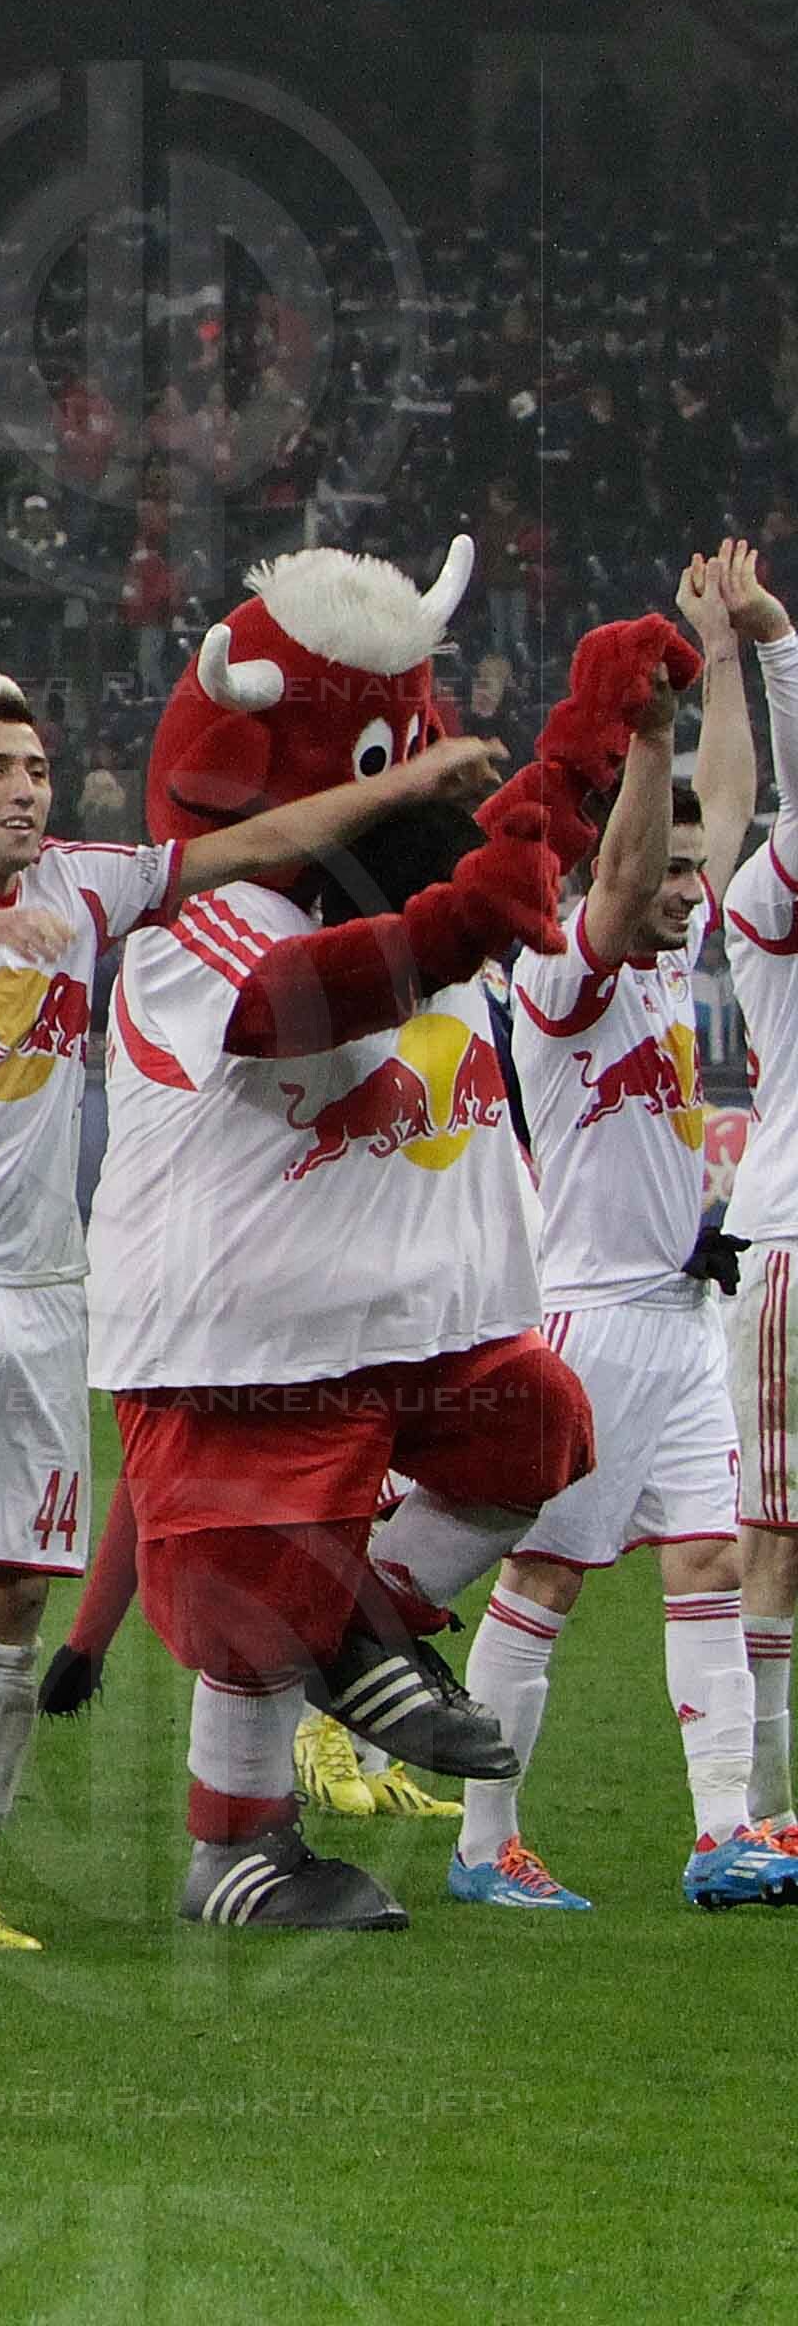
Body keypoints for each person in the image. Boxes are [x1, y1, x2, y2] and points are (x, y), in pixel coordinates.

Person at [0, 667, 501, 1949]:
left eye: (38, 768)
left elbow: (254, 843)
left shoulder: (87, 884)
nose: (25, 789)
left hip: (48, 1292)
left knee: (8, 1598)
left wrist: (406, 780)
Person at [83, 540, 611, 1930]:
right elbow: (280, 1013)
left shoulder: (407, 898)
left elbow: (520, 847)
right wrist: (444, 930)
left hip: (404, 1320)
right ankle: (238, 1847)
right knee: (257, 1574)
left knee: (530, 1424)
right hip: (236, 1324)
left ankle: (362, 1627)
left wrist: (599, 738)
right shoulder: (205, 919)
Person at [451, 545, 798, 1909]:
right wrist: (649, 736)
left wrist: (716, 666)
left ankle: (726, 1834)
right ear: (614, 874)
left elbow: (727, 801)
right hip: (589, 1322)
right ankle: (486, 1848)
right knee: (543, 1582)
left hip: (680, 1315)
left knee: (710, 1561)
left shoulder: (666, 964)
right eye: (666, 877)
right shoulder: (563, 974)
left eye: (696, 881)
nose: (685, 893)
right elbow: (639, 860)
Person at [717, 548, 798, 1829]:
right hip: (790, 1244)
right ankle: (764, 1805)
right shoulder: (767, 906)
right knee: (776, 1533)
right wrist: (769, 646)